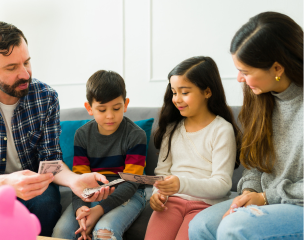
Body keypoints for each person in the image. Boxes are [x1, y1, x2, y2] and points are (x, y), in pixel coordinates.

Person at [0, 22, 113, 237]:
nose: (25, 74)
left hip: (35, 185)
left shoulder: (46, 97)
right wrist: (6, 182)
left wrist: (75, 180)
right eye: (11, 68)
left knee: (46, 203)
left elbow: (50, 161)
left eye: (26, 62)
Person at [189, 12, 303, 240]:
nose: (239, 79)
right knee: (201, 225)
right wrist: (250, 192)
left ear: (277, 69)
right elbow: (254, 162)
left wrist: (265, 197)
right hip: (267, 197)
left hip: (297, 201)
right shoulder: (259, 98)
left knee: (235, 228)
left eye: (246, 71)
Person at [144, 56, 241, 240]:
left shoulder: (221, 129)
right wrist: (158, 193)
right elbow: (162, 173)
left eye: (184, 92)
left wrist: (181, 184)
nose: (177, 99)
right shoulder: (171, 129)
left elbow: (222, 184)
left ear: (207, 92)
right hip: (170, 203)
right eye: (174, 92)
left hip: (205, 205)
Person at [52, 70, 147, 240]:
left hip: (130, 194)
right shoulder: (82, 135)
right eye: (102, 110)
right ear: (89, 108)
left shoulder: (136, 135)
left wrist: (99, 210)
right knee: (62, 233)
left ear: (125, 104)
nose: (110, 116)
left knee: (105, 232)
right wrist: (81, 208)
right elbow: (80, 180)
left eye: (116, 108)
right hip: (91, 193)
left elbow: (131, 183)